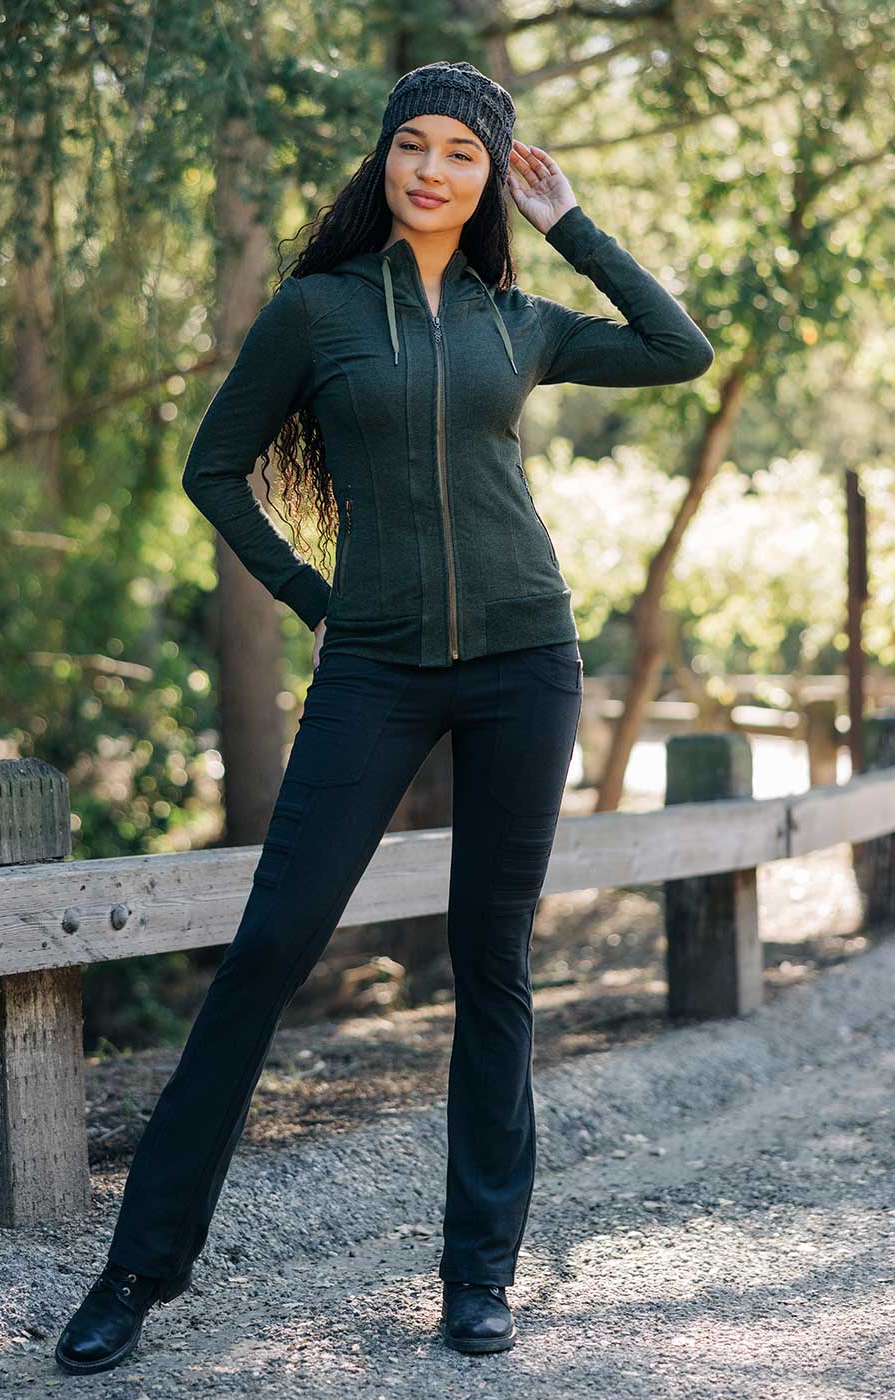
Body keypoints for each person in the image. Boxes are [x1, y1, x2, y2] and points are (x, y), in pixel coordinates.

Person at [54, 59, 714, 1375]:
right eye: (412, 146)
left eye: (461, 155)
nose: (430, 169)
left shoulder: (514, 320)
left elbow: (678, 350)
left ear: (489, 180)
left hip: (529, 660)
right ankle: (137, 1271)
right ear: (384, 161)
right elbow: (213, 465)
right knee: (267, 952)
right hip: (374, 670)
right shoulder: (319, 310)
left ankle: (479, 1276)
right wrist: (315, 601)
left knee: (493, 963)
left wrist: (570, 223)